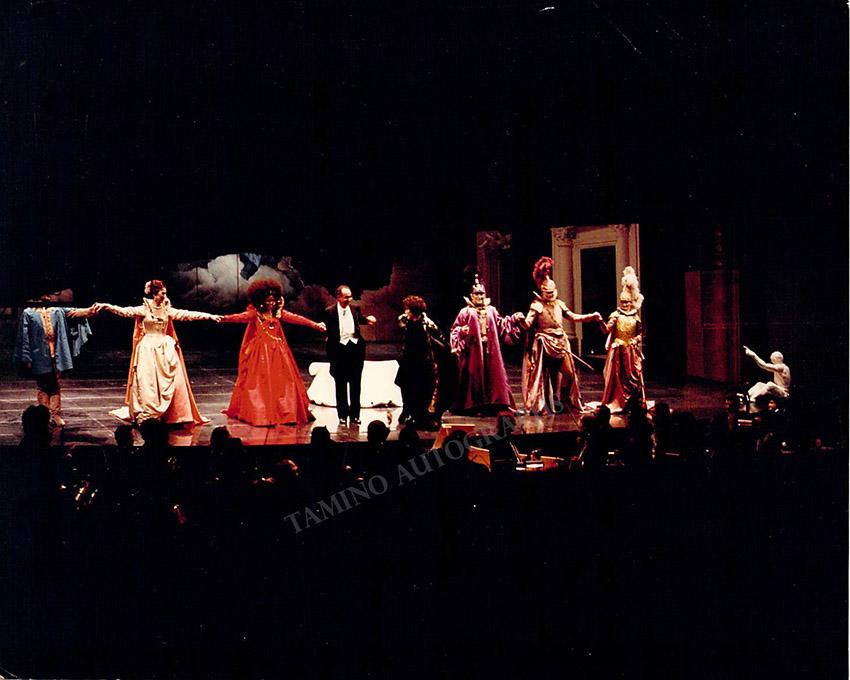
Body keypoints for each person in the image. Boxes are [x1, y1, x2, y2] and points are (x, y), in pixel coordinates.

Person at [97, 279, 220, 425]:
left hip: (164, 348)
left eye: (165, 293)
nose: (165, 296)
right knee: (147, 381)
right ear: (155, 294)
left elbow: (186, 314)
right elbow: (125, 311)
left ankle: (172, 413)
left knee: (172, 379)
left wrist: (209, 316)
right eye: (163, 293)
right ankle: (148, 412)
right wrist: (107, 306)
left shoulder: (166, 309)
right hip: (147, 349)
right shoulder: (144, 309)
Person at [219, 279, 326, 426]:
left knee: (284, 382)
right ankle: (263, 413)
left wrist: (315, 325)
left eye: (273, 300)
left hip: (279, 352)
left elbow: (297, 319)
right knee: (261, 382)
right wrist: (223, 319)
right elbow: (239, 317)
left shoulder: (278, 314)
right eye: (268, 301)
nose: (271, 303)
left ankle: (285, 412)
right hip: (261, 354)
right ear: (261, 301)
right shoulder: (255, 314)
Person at [521, 256, 601, 415]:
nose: (550, 295)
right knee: (544, 377)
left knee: (569, 373)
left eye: (552, 292)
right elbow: (527, 324)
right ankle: (544, 406)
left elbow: (573, 317)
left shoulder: (559, 304)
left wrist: (590, 316)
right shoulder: (536, 305)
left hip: (561, 342)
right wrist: (519, 319)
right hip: (545, 343)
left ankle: (565, 402)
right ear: (542, 291)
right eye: (547, 292)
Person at [13, 290, 97, 427]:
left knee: (55, 384)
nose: (47, 296)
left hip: (55, 353)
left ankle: (55, 414)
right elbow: (24, 337)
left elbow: (74, 312)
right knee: (43, 385)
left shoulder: (56, 310)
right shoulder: (29, 312)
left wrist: (90, 310)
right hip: (39, 354)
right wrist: (26, 357)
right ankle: (44, 416)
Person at [449, 274, 524, 414]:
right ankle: (474, 406)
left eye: (481, 293)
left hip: (490, 348)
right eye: (476, 293)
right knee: (474, 377)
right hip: (474, 350)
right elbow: (455, 330)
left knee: (494, 376)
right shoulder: (465, 312)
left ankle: (497, 404)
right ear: (471, 295)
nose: (479, 296)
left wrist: (513, 319)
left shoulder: (491, 310)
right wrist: (461, 332)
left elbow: (501, 325)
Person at [323, 285, 376, 426]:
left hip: (355, 350)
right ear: (338, 297)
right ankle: (342, 415)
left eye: (350, 296)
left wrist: (368, 319)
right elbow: (327, 329)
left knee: (355, 384)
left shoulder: (354, 309)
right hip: (339, 351)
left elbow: (360, 319)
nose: (349, 299)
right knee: (340, 385)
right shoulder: (329, 312)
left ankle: (355, 415)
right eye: (346, 297)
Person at [597, 267, 646, 413]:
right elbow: (606, 330)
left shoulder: (635, 317)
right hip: (618, 351)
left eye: (627, 302)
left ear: (631, 302)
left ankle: (633, 402)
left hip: (631, 351)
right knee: (617, 377)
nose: (625, 304)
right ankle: (617, 400)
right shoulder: (616, 315)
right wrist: (600, 321)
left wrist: (635, 340)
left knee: (634, 376)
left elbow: (640, 334)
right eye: (623, 302)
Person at [394, 295, 445, 430]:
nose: (405, 311)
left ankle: (421, 415)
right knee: (406, 387)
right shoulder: (405, 320)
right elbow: (401, 328)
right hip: (409, 361)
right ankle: (407, 411)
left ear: (413, 310)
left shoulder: (427, 324)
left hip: (423, 362)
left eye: (407, 309)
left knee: (422, 389)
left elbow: (438, 338)